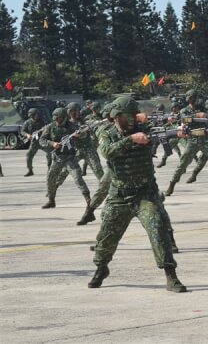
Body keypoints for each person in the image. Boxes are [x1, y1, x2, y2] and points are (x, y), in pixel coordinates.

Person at [89, 96, 186, 292]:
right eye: (128, 116)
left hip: (145, 194)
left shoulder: (146, 130)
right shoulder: (106, 133)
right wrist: (131, 140)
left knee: (158, 227)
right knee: (106, 236)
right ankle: (101, 267)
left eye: (134, 115)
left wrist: (178, 132)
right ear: (117, 116)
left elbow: (164, 133)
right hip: (119, 195)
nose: (132, 119)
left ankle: (171, 275)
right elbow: (106, 152)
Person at [39, 107, 92, 209]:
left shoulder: (72, 126)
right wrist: (52, 143)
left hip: (70, 158)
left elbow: (84, 134)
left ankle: (89, 201)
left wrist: (79, 135)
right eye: (56, 118)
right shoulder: (50, 127)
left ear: (64, 118)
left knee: (78, 178)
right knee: (51, 178)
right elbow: (42, 140)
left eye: (59, 118)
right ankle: (51, 200)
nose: (57, 120)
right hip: (57, 158)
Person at [21, 108, 50, 176]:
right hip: (34, 142)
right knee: (29, 155)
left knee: (50, 153)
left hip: (42, 141)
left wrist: (44, 130)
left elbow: (47, 127)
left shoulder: (42, 121)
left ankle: (50, 169)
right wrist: (27, 135)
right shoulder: (27, 123)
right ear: (32, 115)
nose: (37, 115)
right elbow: (22, 131)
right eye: (36, 114)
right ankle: (30, 170)